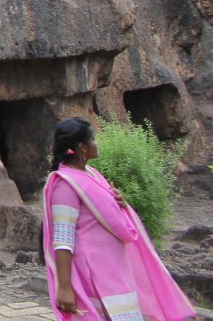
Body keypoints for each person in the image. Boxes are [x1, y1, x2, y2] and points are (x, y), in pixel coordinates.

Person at [43, 117, 193, 321]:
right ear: (82, 147)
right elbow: (63, 240)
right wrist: (65, 288)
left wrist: (119, 204)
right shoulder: (66, 185)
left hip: (114, 272)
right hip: (94, 274)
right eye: (93, 139)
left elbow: (105, 215)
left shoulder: (91, 174)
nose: (97, 143)